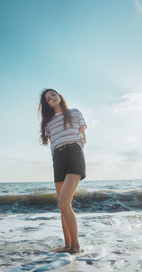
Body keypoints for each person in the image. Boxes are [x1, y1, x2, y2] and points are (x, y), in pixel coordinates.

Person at [38, 88, 87, 254]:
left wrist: (77, 147)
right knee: (63, 207)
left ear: (59, 95)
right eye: (48, 98)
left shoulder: (74, 112)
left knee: (64, 203)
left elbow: (83, 137)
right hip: (58, 159)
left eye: (53, 94)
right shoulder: (48, 122)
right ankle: (68, 245)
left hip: (74, 154)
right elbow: (52, 143)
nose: (52, 97)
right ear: (46, 104)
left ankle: (76, 247)